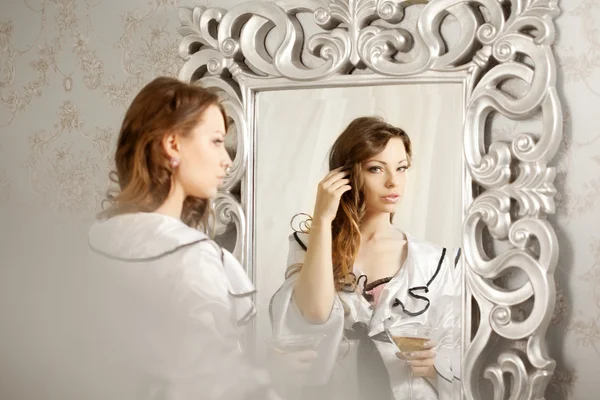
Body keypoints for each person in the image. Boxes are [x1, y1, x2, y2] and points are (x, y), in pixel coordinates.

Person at [85, 77, 279, 400]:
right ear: (173, 145)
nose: (227, 161)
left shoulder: (96, 241)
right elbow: (217, 382)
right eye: (217, 141)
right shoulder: (192, 256)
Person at [269, 117, 461, 400]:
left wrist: (435, 367)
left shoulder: (437, 261)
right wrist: (323, 219)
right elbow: (314, 313)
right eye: (376, 168)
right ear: (345, 176)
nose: (393, 181)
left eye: (402, 168)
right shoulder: (309, 244)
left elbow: (461, 353)